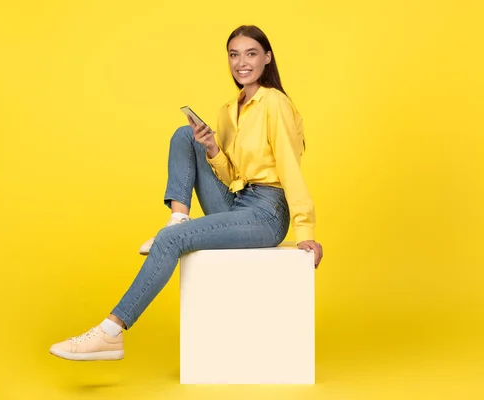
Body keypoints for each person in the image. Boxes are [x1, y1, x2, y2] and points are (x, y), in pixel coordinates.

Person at [49, 25, 324, 361]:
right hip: (238, 199)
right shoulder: (229, 110)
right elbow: (232, 175)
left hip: (267, 211)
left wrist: (305, 230)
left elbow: (288, 167)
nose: (242, 62)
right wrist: (211, 149)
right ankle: (177, 217)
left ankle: (110, 333)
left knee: (170, 242)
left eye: (251, 53)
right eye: (234, 54)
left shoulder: (275, 104)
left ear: (267, 58)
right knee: (186, 134)